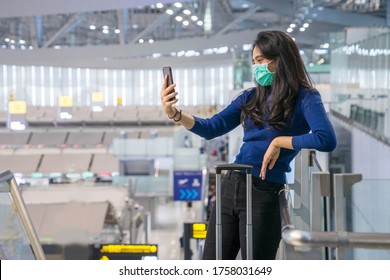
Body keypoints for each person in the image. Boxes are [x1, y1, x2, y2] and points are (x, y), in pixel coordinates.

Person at [160, 30, 337, 260]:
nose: (257, 67)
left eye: (261, 61)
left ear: (280, 60)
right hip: (230, 184)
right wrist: (175, 113)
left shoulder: (306, 97)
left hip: (264, 190)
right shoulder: (250, 97)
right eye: (254, 62)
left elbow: (326, 139)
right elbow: (211, 128)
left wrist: (280, 142)